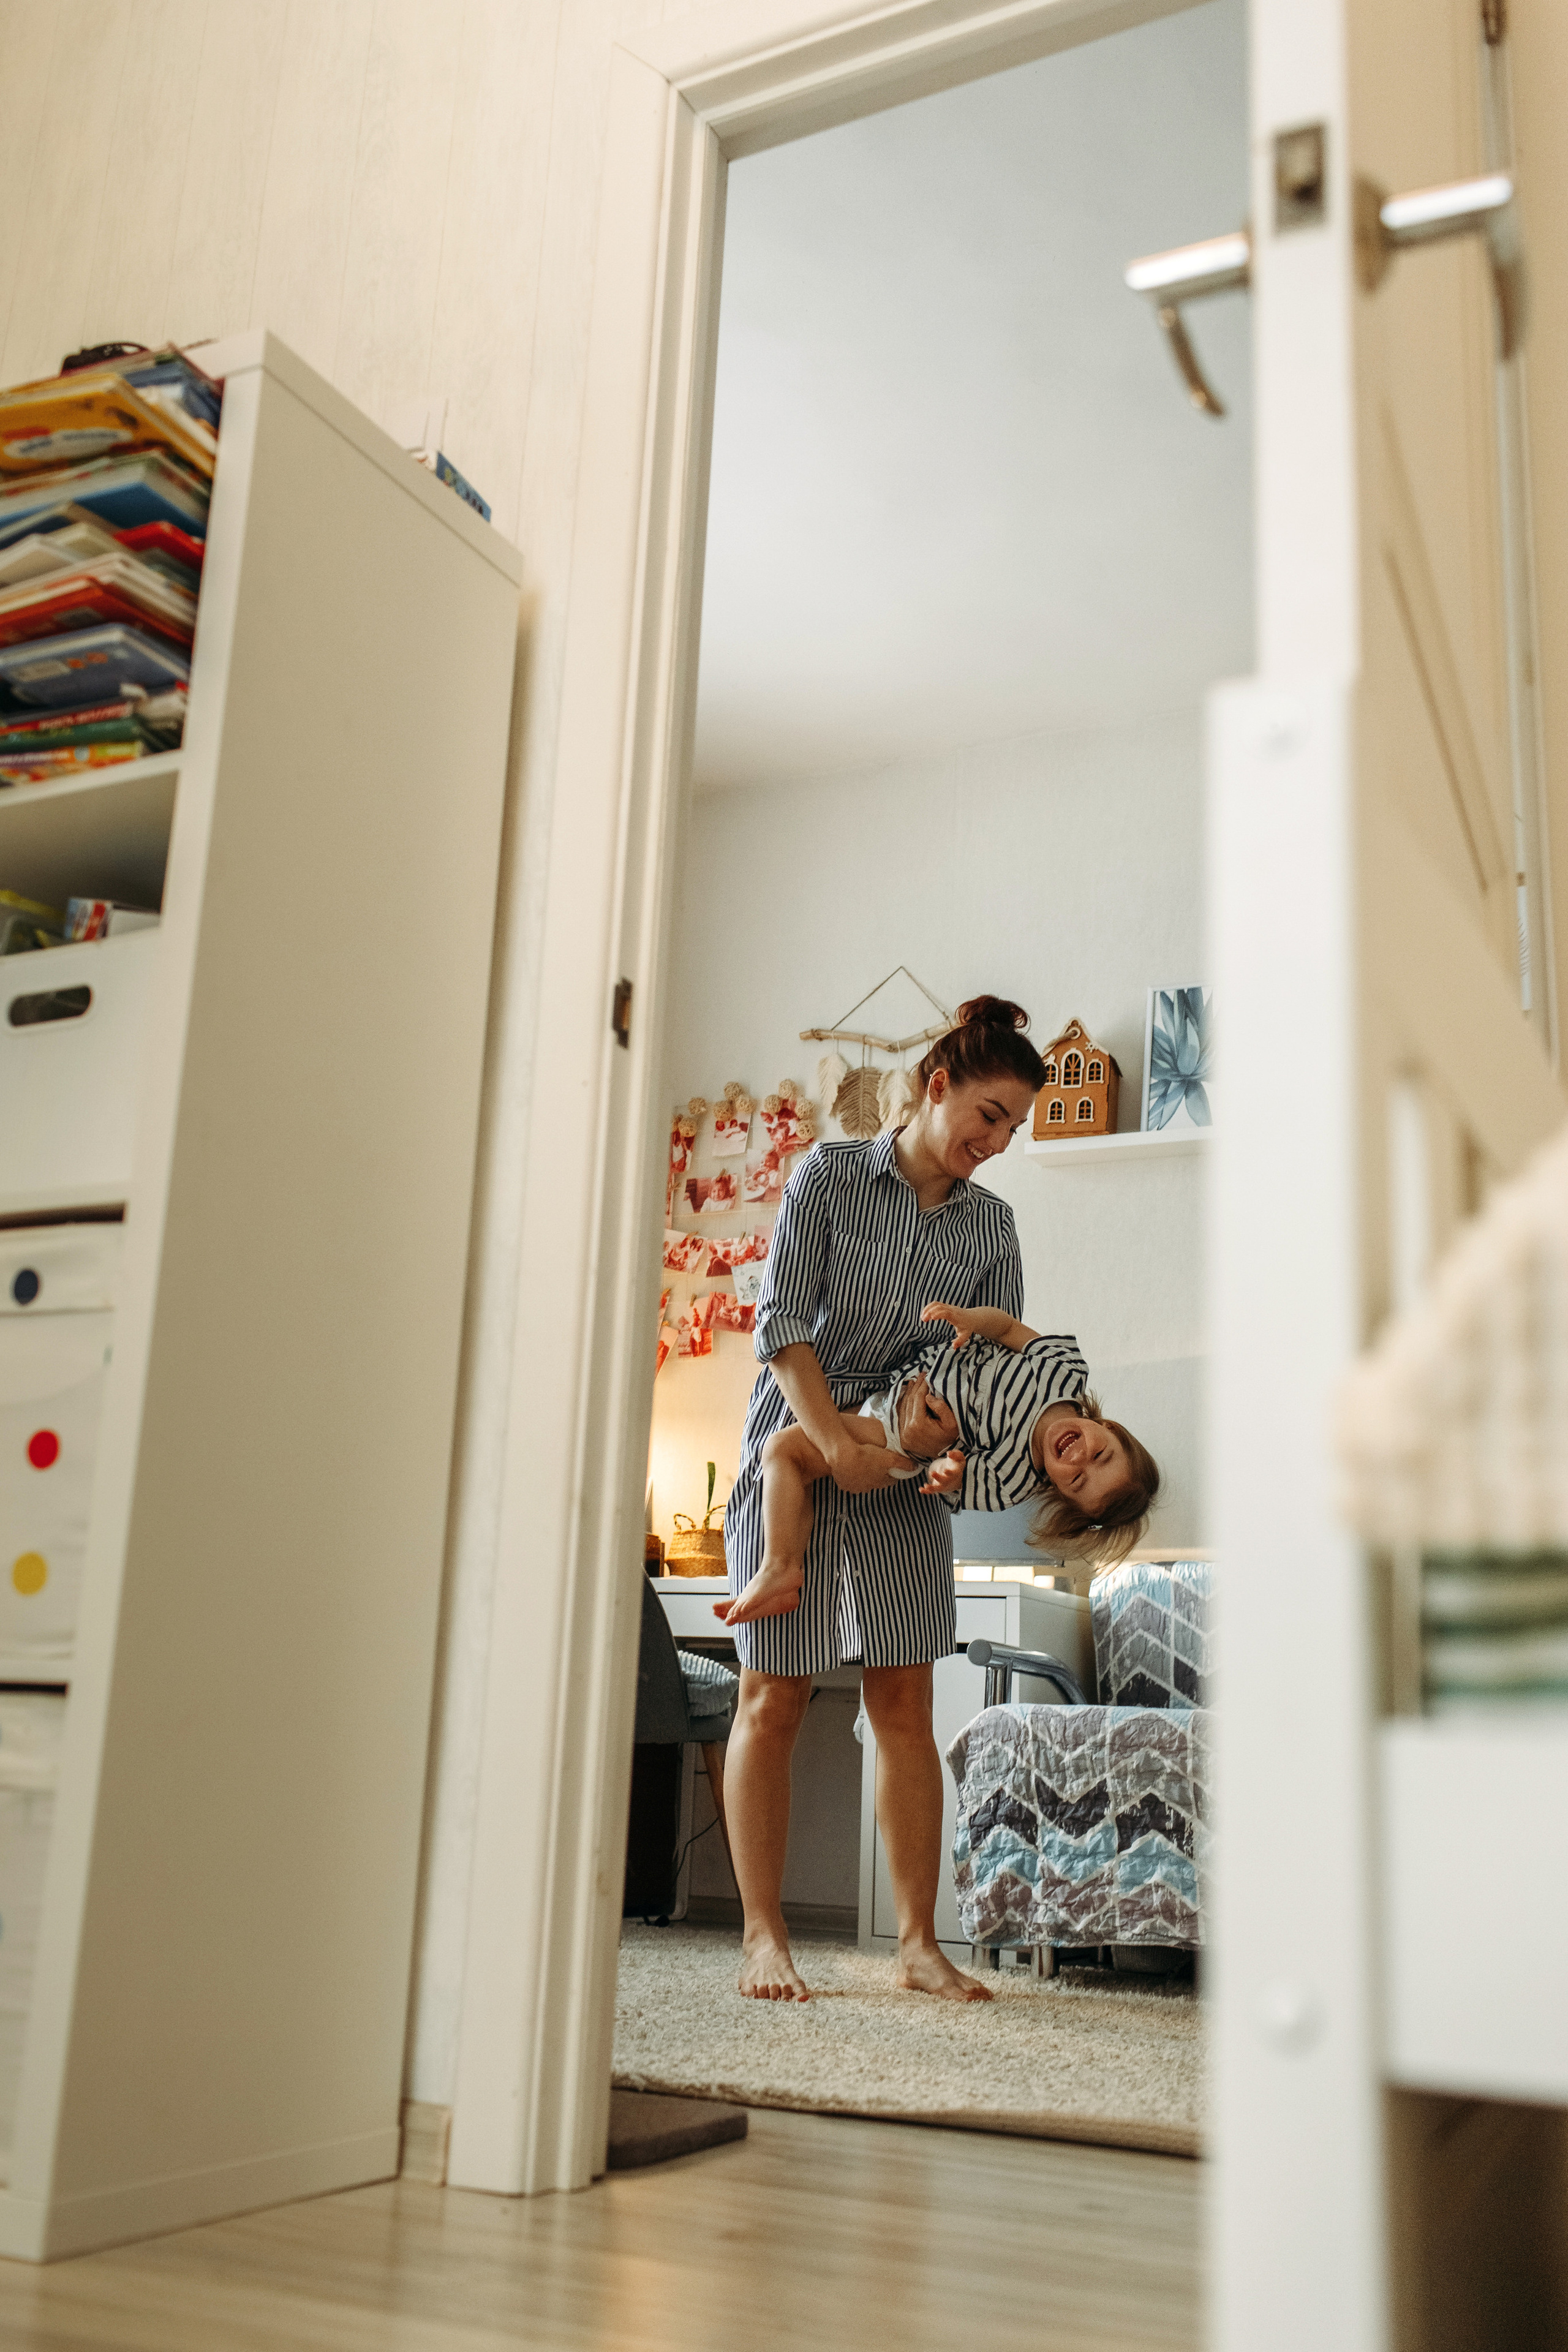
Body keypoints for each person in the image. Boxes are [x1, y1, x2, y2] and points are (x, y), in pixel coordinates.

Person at [720, 993, 1043, 2005]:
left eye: (1013, 1128)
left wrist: (947, 1457)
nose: (995, 1142)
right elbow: (780, 1326)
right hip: (800, 1438)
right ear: (937, 1085)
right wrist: (828, 1447)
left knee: (903, 1699)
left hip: (903, 1462)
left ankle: (916, 1945)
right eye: (987, 1115)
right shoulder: (826, 1177)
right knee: (772, 1697)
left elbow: (981, 1374)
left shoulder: (993, 1227)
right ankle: (763, 1936)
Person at [718, 1303, 1159, 1627]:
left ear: (1063, 1493)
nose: (1079, 1459)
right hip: (900, 1382)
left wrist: (947, 1470)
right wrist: (972, 1321)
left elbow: (949, 1478)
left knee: (781, 1450)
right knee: (792, 1456)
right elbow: (1006, 1327)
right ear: (1109, 1427)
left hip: (895, 1434)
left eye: (1078, 1481)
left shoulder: (1013, 1477)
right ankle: (786, 1567)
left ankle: (778, 1566)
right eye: (1101, 1454)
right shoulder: (1065, 1370)